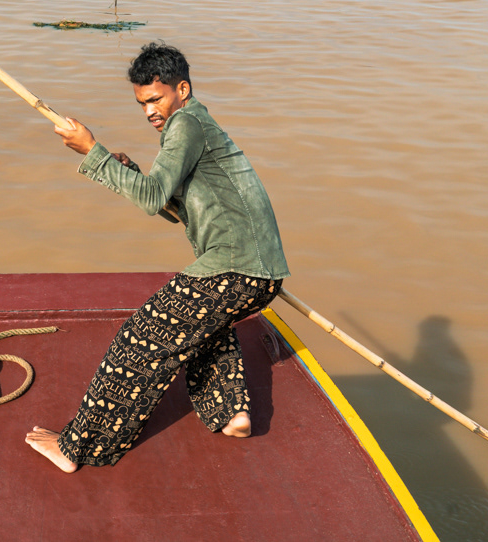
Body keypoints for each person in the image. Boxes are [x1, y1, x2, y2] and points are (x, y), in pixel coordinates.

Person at [25, 43, 290, 472]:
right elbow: (172, 209)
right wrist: (126, 171)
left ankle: (78, 449)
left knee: (141, 339)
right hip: (259, 273)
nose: (149, 110)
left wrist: (91, 151)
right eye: (142, 103)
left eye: (156, 98)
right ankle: (233, 413)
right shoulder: (194, 127)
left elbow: (150, 199)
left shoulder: (186, 124)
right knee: (203, 328)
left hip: (234, 266)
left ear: (182, 89)